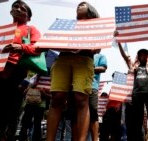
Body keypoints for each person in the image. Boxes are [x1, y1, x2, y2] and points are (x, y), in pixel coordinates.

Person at [0, 0, 41, 140]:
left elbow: (38, 48)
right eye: (15, 7)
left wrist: (20, 47)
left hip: (14, 73)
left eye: (23, 9)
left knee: (5, 111)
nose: (19, 9)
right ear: (10, 11)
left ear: (28, 17)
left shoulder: (30, 29)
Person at [46, 2, 100, 141]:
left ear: (91, 14)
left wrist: (88, 46)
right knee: (57, 98)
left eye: (83, 5)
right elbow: (54, 42)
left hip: (84, 60)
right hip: (63, 60)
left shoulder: (97, 28)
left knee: (81, 99)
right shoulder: (67, 26)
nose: (79, 6)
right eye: (78, 14)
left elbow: (97, 48)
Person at [115, 24, 148, 141]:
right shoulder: (134, 66)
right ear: (138, 55)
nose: (143, 55)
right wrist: (119, 41)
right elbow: (123, 56)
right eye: (141, 53)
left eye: (145, 53)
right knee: (137, 121)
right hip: (137, 95)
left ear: (147, 56)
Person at [19, 75, 51, 141]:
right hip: (31, 105)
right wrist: (32, 86)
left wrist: (43, 93)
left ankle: (30, 138)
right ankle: (22, 138)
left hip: (38, 105)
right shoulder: (35, 78)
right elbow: (24, 92)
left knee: (36, 125)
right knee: (27, 124)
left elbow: (51, 96)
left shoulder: (41, 78)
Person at [88, 49, 107, 141]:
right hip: (78, 86)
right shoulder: (82, 54)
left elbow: (103, 68)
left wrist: (89, 68)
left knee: (93, 113)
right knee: (78, 113)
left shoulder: (101, 56)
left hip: (92, 86)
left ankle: (95, 139)